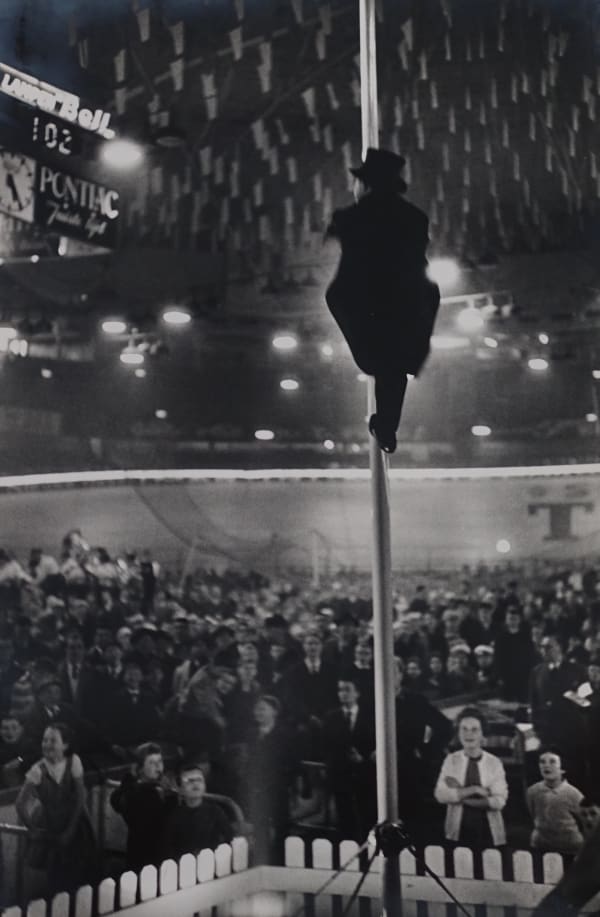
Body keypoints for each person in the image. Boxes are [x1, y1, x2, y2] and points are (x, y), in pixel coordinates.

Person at [325, 147, 440, 453]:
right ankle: (387, 426)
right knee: (395, 366)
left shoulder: (349, 217)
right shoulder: (416, 217)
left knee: (382, 360)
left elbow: (338, 242)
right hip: (407, 299)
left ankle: (386, 420)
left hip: (366, 299)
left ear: (364, 184)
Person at [15, 723, 97, 896]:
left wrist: (70, 829)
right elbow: (20, 803)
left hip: (74, 820)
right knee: (54, 872)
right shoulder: (37, 770)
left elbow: (81, 797)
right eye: (44, 740)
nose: (47, 744)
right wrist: (33, 829)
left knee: (79, 869)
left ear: (65, 745)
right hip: (50, 823)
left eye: (53, 740)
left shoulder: (73, 761)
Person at [434, 706, 508, 849]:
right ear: (458, 732)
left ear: (482, 734)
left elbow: (498, 802)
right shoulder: (451, 760)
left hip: (489, 834)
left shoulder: (494, 763)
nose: (469, 734)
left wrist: (459, 794)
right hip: (457, 832)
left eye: (475, 729)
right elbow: (440, 795)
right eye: (464, 729)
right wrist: (476, 790)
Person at [322, 676, 376, 842]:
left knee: (366, 815)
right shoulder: (331, 717)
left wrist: (364, 758)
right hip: (340, 774)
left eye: (347, 690)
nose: (343, 694)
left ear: (357, 693)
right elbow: (325, 746)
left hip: (365, 774)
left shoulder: (370, 716)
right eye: (340, 690)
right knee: (344, 816)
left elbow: (375, 743)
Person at [109, 742, 177, 871]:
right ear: (140, 768)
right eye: (152, 763)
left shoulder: (155, 788)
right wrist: (170, 797)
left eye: (160, 761)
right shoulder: (138, 793)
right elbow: (163, 822)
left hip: (160, 855)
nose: (158, 767)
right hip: (145, 857)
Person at [162, 762, 233, 861]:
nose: (195, 783)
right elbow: (168, 850)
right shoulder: (175, 817)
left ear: (205, 785)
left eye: (199, 780)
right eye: (189, 781)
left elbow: (229, 838)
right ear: (181, 789)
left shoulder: (215, 812)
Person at [526, 748, 584, 855]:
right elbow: (533, 814)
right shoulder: (532, 791)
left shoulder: (574, 794)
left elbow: (584, 822)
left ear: (563, 768)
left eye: (552, 761)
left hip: (570, 848)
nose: (546, 765)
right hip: (541, 845)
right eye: (542, 761)